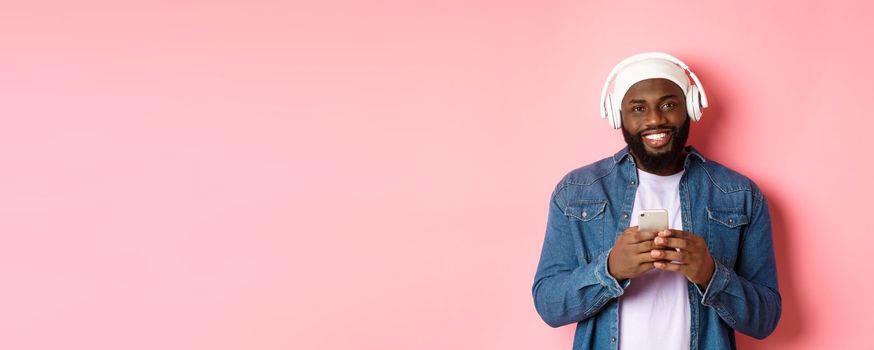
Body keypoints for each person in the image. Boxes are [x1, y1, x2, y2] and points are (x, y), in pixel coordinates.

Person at [531, 52, 781, 350]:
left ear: (690, 107)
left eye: (669, 104)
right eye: (638, 108)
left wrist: (710, 275)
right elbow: (549, 304)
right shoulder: (577, 192)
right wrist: (610, 269)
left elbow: (765, 319)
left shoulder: (740, 194)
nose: (655, 119)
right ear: (616, 115)